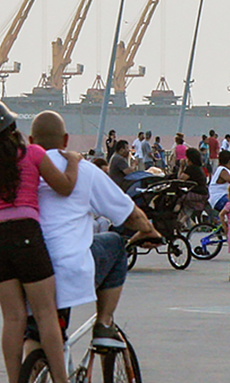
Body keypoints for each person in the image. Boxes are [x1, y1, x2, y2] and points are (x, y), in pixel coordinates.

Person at [0, 99, 84, 383]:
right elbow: (64, 188)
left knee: (13, 318)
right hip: (26, 235)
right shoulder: (32, 154)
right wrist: (72, 160)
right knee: (45, 313)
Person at [27, 110, 160, 353]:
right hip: (70, 266)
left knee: (35, 331)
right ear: (66, 140)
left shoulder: (23, 173)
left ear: (30, 141)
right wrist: (150, 231)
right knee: (115, 244)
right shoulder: (85, 170)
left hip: (29, 265)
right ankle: (104, 323)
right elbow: (130, 214)